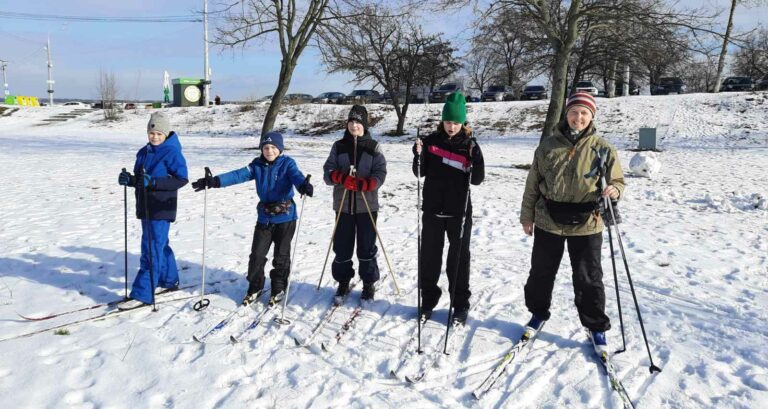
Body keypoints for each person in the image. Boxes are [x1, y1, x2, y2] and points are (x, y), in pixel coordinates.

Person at [519, 92, 625, 353]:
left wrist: (615, 190)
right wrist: (526, 215)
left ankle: (595, 326)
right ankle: (538, 313)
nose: (578, 117)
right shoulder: (547, 147)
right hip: (548, 219)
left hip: (588, 221)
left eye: (584, 113)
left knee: (588, 277)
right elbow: (532, 183)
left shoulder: (602, 148)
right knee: (541, 273)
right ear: (566, 115)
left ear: (592, 117)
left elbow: (618, 181)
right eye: (574, 112)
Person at [191, 131, 313, 306]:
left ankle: (278, 287)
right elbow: (237, 175)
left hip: (285, 218)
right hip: (264, 218)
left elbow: (296, 176)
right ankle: (255, 286)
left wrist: (303, 185)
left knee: (281, 256)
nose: (269, 151)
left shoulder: (287, 163)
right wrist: (214, 181)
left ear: (279, 149)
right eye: (265, 148)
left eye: (273, 147)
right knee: (256, 256)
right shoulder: (256, 166)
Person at [413, 91, 484, 325]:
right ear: (442, 121)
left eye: (455, 122)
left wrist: (478, 158)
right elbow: (419, 172)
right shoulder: (432, 142)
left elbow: (477, 179)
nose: (451, 127)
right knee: (430, 258)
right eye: (448, 122)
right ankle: (429, 300)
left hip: (459, 212)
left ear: (462, 122)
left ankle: (460, 304)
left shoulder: (469, 145)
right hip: (433, 209)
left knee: (459, 259)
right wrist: (418, 155)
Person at [117, 112, 189, 310]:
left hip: (161, 206)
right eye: (152, 132)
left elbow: (181, 178)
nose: (155, 137)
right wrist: (130, 180)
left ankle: (142, 293)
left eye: (159, 133)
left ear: (165, 133)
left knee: (151, 249)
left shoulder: (172, 152)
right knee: (159, 245)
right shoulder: (144, 152)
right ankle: (168, 279)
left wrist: (155, 182)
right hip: (145, 205)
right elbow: (141, 179)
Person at [323, 105, 387, 302]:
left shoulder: (373, 146)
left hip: (366, 205)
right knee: (342, 247)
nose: (354, 125)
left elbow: (380, 172)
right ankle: (343, 281)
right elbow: (328, 172)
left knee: (366, 247)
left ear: (364, 125)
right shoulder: (338, 146)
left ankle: (368, 283)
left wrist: (368, 184)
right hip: (343, 205)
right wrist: (341, 178)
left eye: (358, 122)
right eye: (351, 121)